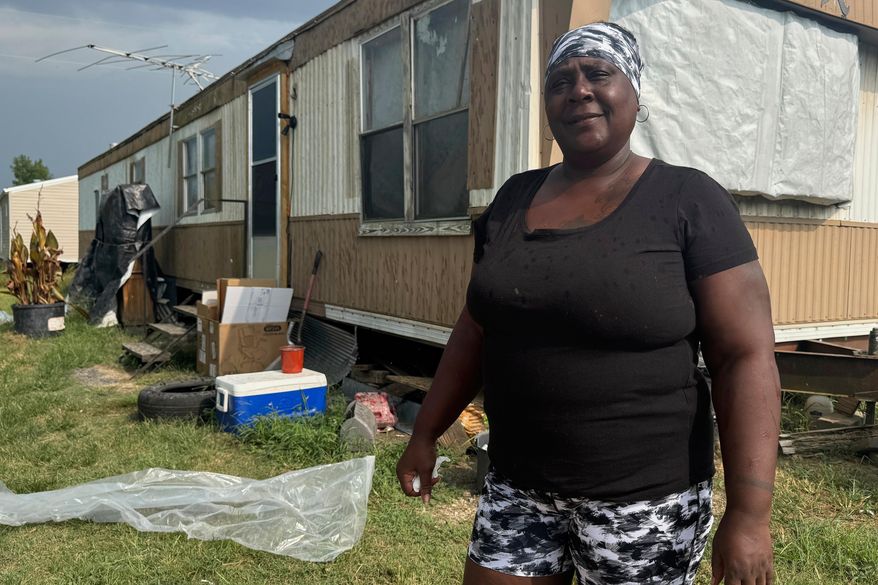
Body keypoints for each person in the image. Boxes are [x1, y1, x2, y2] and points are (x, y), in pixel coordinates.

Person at [397, 21, 780, 585]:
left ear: (634, 91)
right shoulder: (512, 198)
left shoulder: (688, 199)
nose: (578, 90)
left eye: (599, 73)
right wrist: (425, 434)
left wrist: (750, 514)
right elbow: (477, 330)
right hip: (517, 487)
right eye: (560, 81)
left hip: (644, 503)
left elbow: (744, 356)